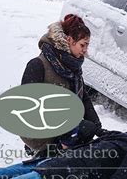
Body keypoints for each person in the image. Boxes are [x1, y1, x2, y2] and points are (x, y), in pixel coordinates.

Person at [20, 14, 102, 157]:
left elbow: (83, 98)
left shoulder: (72, 66)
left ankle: (62, 149)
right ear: (69, 40)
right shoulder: (38, 65)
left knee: (89, 129)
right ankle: (46, 151)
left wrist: (98, 129)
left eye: (87, 46)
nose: (85, 51)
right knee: (82, 129)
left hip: (61, 127)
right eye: (83, 45)